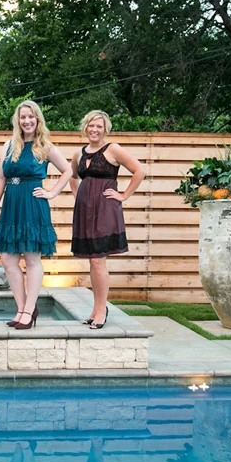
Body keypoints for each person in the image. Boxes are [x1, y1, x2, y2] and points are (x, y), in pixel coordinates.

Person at [0, 100, 72, 330]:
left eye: (30, 117)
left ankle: (29, 309)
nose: (27, 121)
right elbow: (1, 178)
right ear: (17, 121)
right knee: (8, 259)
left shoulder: (45, 146)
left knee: (31, 258)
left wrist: (52, 193)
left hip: (33, 204)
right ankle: (21, 308)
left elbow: (68, 170)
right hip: (11, 203)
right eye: (23, 117)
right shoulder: (9, 145)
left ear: (37, 119)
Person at [70, 110, 145, 329]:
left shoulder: (113, 149)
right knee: (93, 261)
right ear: (85, 127)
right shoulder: (78, 153)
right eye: (91, 125)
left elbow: (139, 171)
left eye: (99, 126)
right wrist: (78, 197)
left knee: (97, 260)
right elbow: (72, 177)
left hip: (105, 210)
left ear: (105, 129)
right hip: (85, 211)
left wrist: (124, 195)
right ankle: (96, 310)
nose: (94, 130)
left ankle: (102, 310)